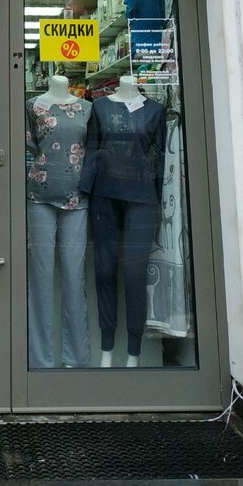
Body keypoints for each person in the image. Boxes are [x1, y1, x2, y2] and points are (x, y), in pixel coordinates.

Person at [79, 76, 166, 368]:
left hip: (142, 198)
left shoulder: (155, 110)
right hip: (104, 197)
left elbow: (161, 157)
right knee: (105, 272)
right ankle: (107, 347)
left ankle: (134, 351)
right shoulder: (100, 107)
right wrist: (84, 189)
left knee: (134, 274)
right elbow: (92, 149)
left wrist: (161, 197)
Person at [25, 74, 92, 369]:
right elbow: (29, 147)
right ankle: (40, 360)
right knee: (40, 276)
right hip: (40, 196)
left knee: (75, 276)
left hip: (78, 198)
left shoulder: (87, 108)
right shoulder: (32, 106)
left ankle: (75, 358)